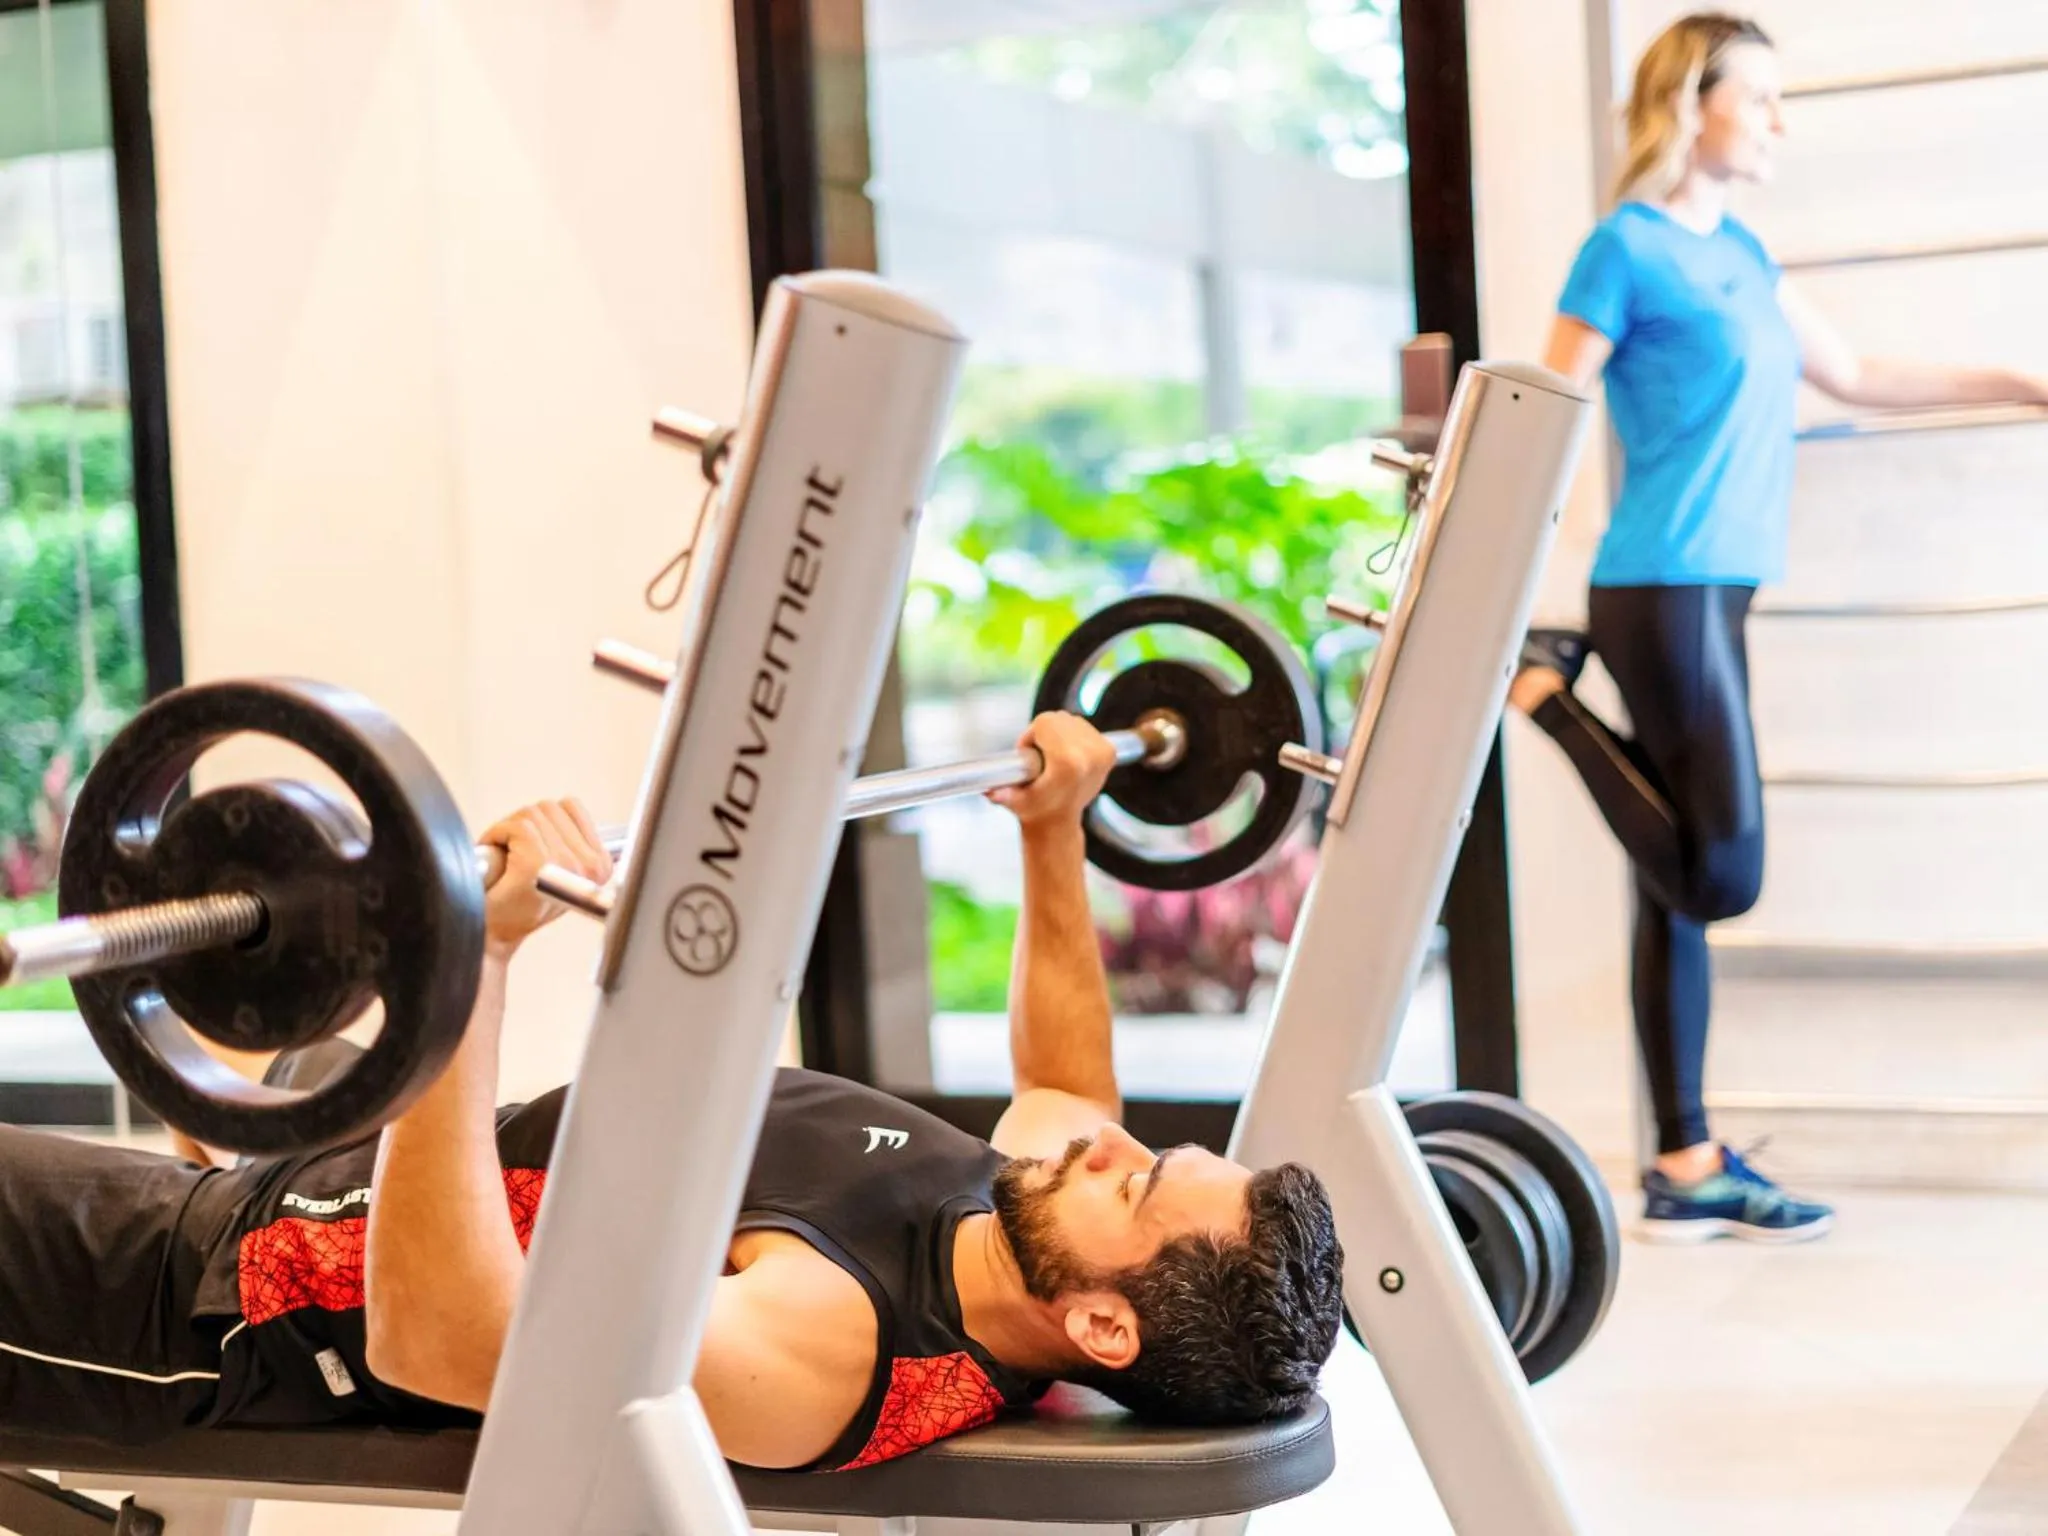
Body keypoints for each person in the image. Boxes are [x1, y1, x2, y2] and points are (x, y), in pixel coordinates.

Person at [0, 713, 1344, 1472]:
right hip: (246, 1192)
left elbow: (446, 1338)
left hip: (190, 1311)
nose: (1114, 1151)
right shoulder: (1023, 1214)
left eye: (1143, 1182)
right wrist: (1053, 838)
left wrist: (474, 956)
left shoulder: (835, 1344)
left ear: (1103, 1328)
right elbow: (1062, 1083)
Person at [1509, 11, 2048, 1244]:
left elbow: (1853, 377)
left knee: (1677, 887)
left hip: (1719, 588)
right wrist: (1493, 565)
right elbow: (1544, 409)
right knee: (1725, 873)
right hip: (1655, 586)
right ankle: (1541, 695)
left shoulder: (1741, 255)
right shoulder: (1623, 250)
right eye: (1758, 100)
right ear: (1688, 103)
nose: (1775, 124)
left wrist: (2019, 379)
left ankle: (1682, 1162)